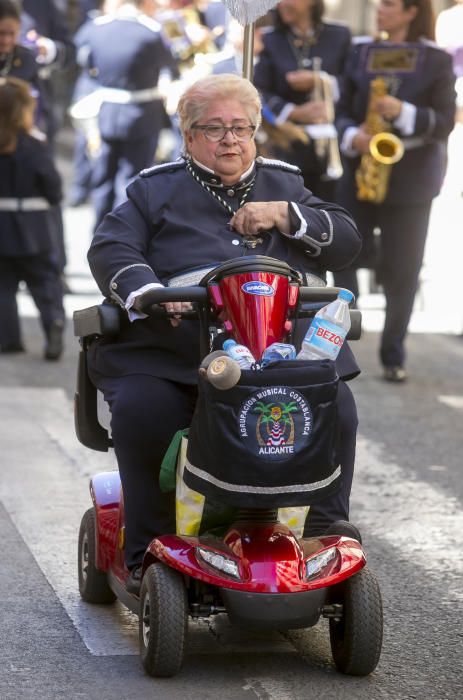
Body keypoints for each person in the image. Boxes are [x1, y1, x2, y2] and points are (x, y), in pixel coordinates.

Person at [86, 73, 362, 593]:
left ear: (256, 131)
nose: (229, 140)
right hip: (175, 353)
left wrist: (285, 214)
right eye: (213, 129)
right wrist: (149, 290)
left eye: (240, 128)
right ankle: (148, 548)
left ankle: (325, 534)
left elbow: (345, 241)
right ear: (189, 136)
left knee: (339, 406)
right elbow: (111, 248)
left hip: (277, 355)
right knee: (146, 410)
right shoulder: (153, 188)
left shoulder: (285, 184)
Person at [333, 0, 456, 383]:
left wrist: (401, 110)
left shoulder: (435, 59)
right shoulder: (361, 51)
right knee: (344, 253)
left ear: (410, 11)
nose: (379, 10)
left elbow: (444, 121)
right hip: (360, 169)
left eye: (388, 4)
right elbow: (340, 108)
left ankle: (393, 352)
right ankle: (342, 340)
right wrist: (354, 135)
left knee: (404, 267)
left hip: (413, 175)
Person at [73, 0, 178, 231]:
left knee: (103, 177)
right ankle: (121, 233)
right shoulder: (151, 30)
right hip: (141, 114)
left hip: (105, 113)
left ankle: (99, 231)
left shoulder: (97, 26)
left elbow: (83, 61)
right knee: (131, 179)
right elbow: (170, 65)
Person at [253, 0, 351, 201]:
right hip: (287, 146)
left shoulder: (340, 35)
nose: (281, 4)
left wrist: (321, 81)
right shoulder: (271, 39)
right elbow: (258, 90)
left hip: (333, 147)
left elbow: (352, 83)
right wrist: (293, 112)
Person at [0, 76, 65, 360]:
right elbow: (52, 187)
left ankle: (8, 338)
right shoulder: (34, 144)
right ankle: (53, 325)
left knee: (3, 287)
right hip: (34, 227)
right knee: (44, 283)